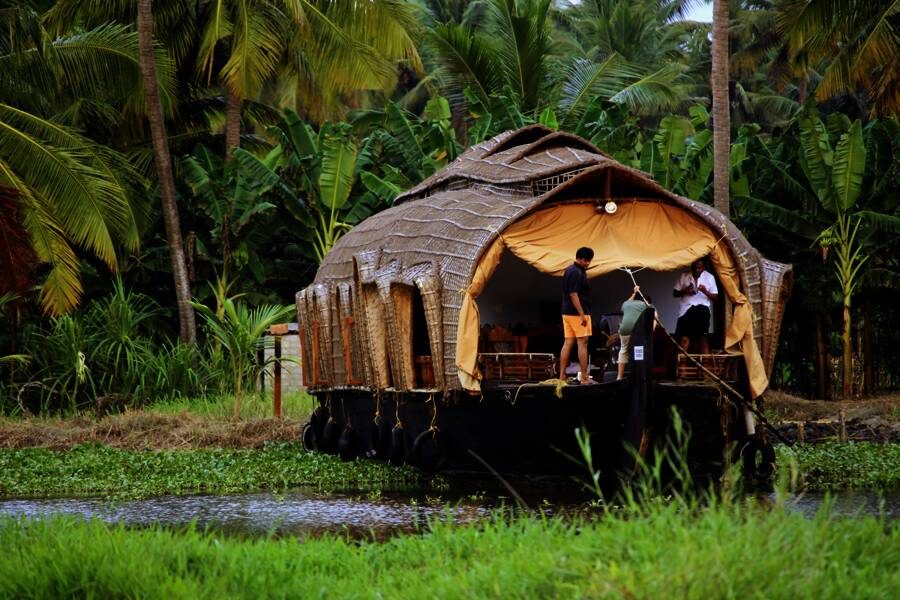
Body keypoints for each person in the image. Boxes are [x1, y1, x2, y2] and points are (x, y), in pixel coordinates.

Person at [559, 246, 595, 384]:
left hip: (566, 312)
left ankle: (562, 375)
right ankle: (585, 378)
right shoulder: (577, 273)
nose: (587, 263)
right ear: (578, 258)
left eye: (588, 261)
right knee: (583, 343)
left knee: (568, 343)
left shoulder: (569, 270)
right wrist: (581, 314)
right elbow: (573, 294)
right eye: (585, 260)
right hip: (577, 313)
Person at [673, 258, 718, 353]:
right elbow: (675, 293)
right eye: (694, 268)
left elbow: (715, 297)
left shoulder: (709, 277)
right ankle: (682, 368)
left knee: (703, 339)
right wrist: (685, 291)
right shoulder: (684, 275)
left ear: (703, 268)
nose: (696, 270)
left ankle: (705, 367)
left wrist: (705, 291)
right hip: (686, 310)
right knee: (684, 340)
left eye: (699, 268)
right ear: (691, 266)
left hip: (703, 310)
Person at [617, 286, 654, 380]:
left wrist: (634, 293)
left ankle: (619, 377)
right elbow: (654, 315)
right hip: (636, 332)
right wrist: (650, 332)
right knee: (639, 352)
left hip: (624, 331)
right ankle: (639, 377)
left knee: (623, 350)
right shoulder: (646, 305)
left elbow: (628, 301)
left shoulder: (626, 304)